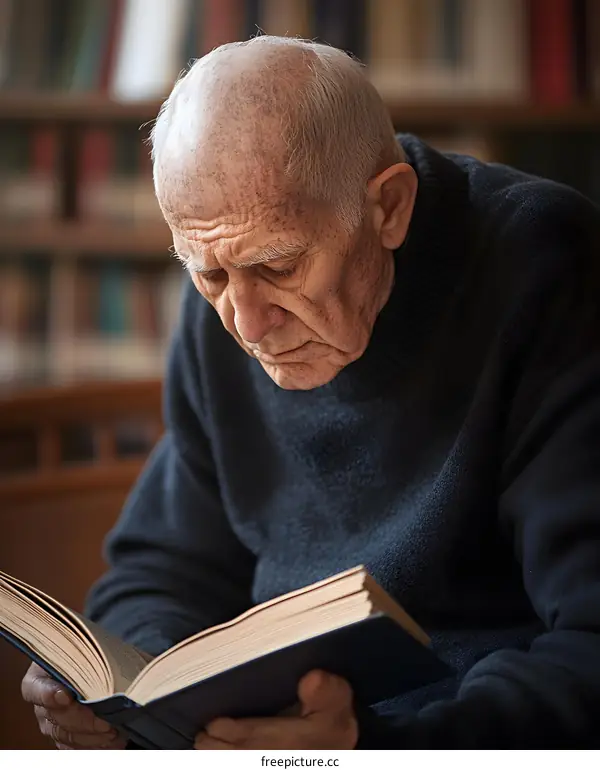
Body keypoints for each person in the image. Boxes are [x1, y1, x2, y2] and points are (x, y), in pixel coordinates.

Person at [21, 36, 600, 750]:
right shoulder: (229, 291)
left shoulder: (545, 268)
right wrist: (130, 704)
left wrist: (374, 748)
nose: (249, 324)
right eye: (207, 275)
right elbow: (160, 570)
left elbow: (590, 643)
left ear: (388, 207)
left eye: (280, 264)